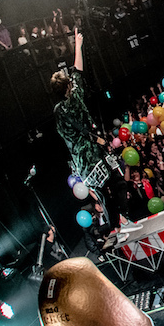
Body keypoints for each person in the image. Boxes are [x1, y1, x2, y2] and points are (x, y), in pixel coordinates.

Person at [50, 29, 125, 214]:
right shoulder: (75, 97)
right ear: (68, 86)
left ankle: (117, 225)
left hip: (81, 163)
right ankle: (123, 218)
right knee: (118, 183)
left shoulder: (58, 111)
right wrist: (78, 45)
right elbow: (78, 71)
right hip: (93, 153)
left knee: (102, 194)